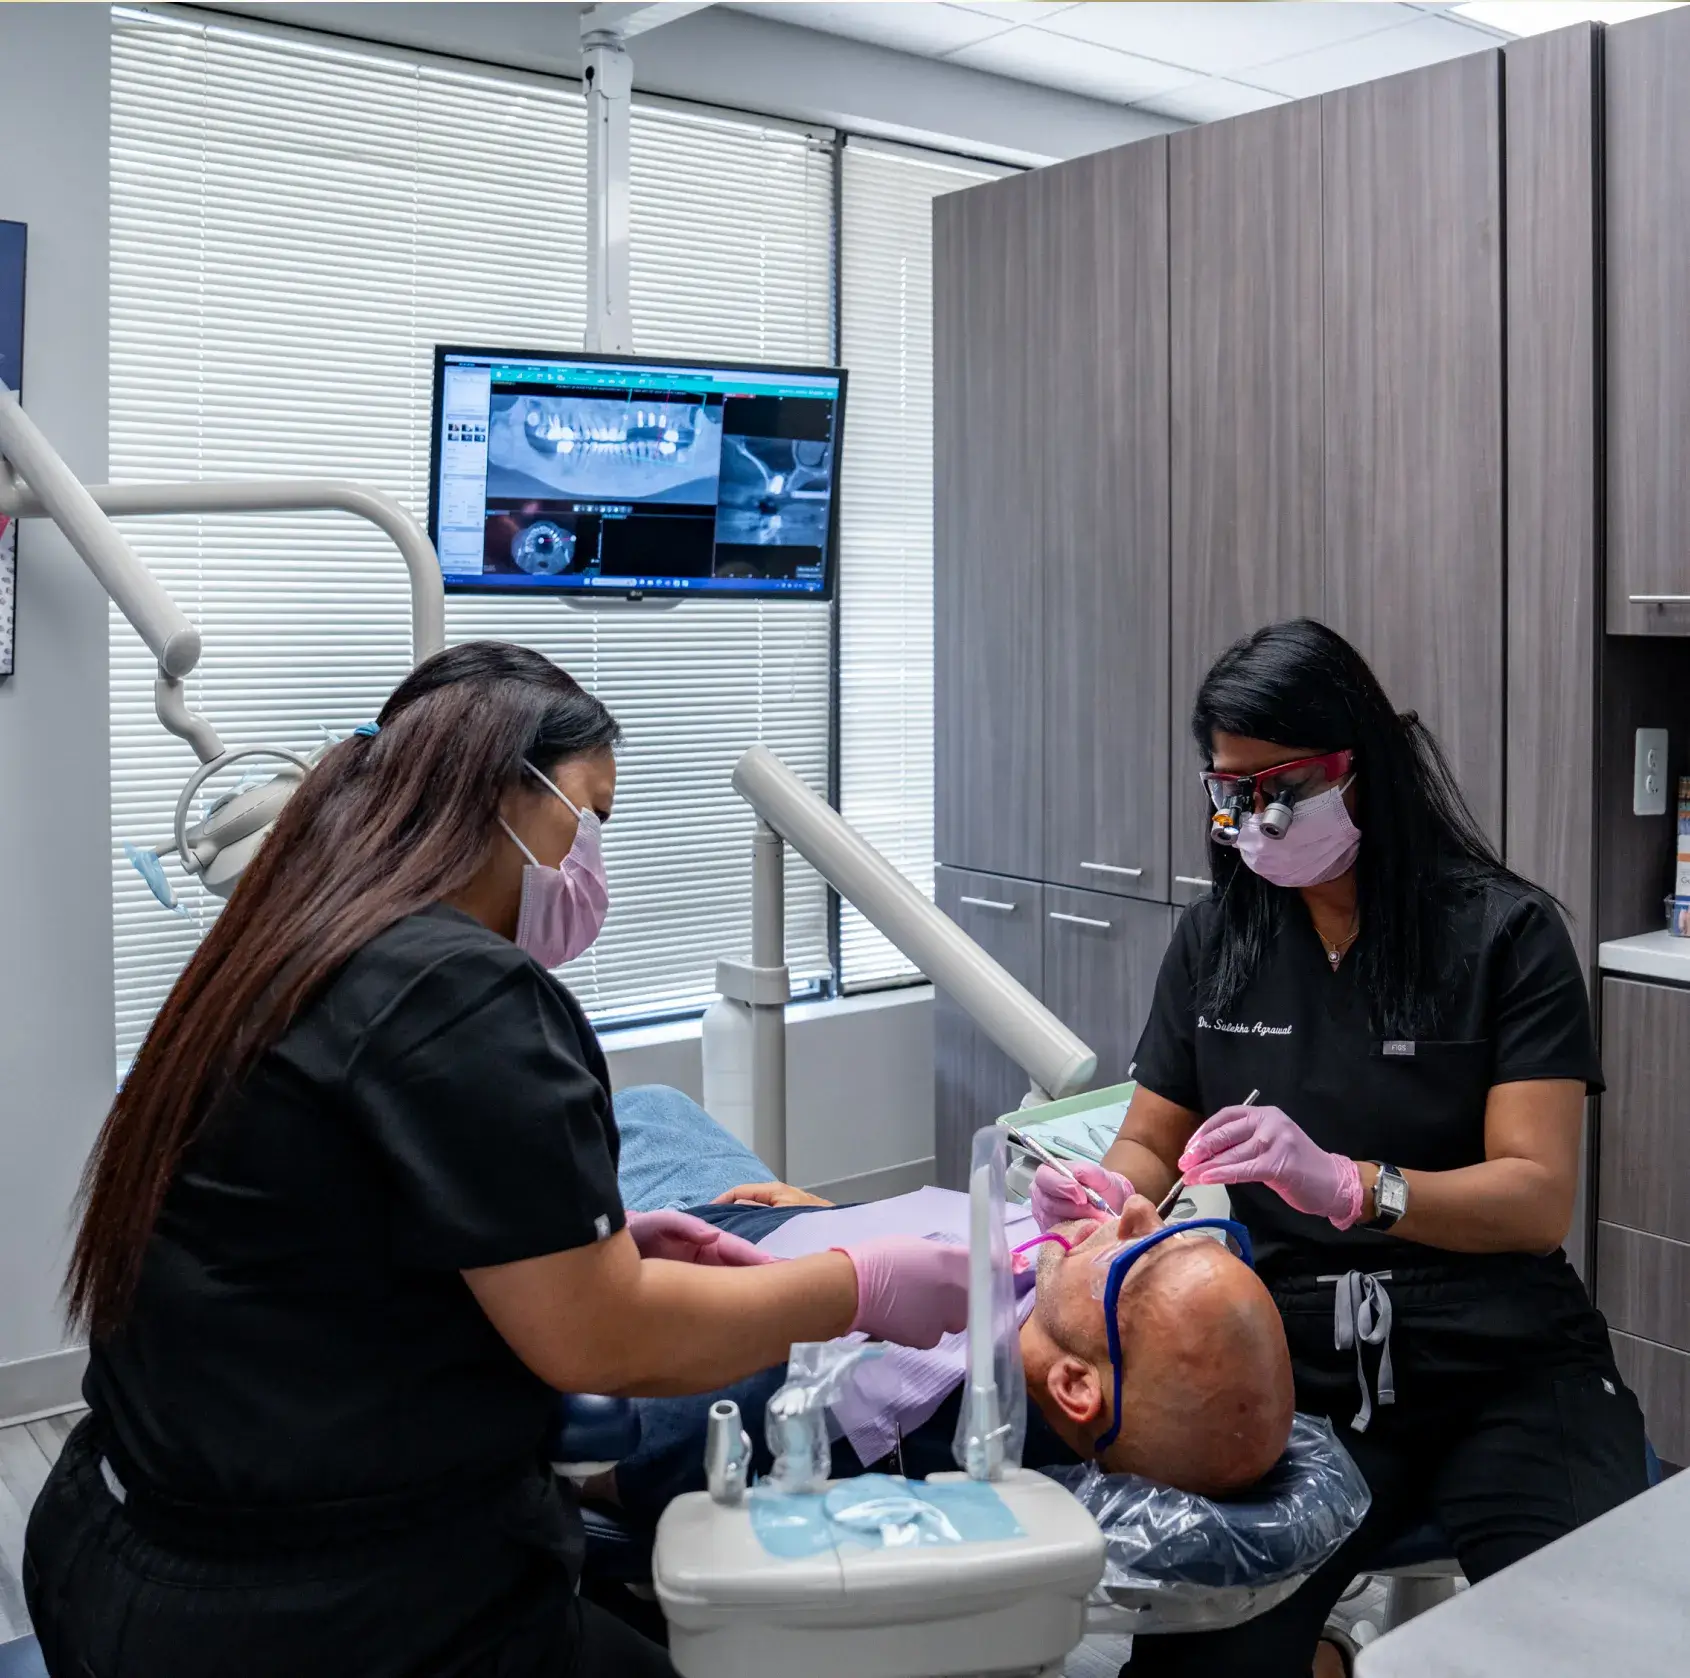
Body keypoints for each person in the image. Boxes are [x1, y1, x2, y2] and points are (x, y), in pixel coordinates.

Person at [23, 642, 969, 1678]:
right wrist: (856, 1285)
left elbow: (325, 1230)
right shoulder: (460, 991)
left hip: (111, 1539)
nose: (593, 854)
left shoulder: (286, 939)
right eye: (589, 815)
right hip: (313, 1619)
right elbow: (603, 1340)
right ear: (499, 790)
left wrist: (562, 1243)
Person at [1086, 619, 1649, 1678]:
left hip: (1504, 1360)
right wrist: (1097, 1199)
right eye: (1228, 791)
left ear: (1359, 766)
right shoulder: (1220, 941)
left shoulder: (1504, 935)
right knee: (1202, 1661)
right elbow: (1148, 1139)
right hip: (1299, 1372)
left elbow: (1534, 1198)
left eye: (1274, 785)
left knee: (1594, 1642)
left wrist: (1350, 1185)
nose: (1250, 817)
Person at [595, 1089, 1294, 1526]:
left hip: (668, 1273)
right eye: (1178, 1231)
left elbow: (607, 1405)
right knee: (652, 1105)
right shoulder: (1049, 1319)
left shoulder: (849, 1402)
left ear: (1076, 1386)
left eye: (1140, 1257)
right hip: (785, 1227)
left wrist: (597, 1248)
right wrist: (835, 1217)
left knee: (624, 1118)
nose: (1142, 1206)